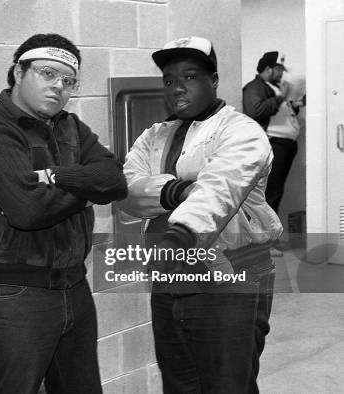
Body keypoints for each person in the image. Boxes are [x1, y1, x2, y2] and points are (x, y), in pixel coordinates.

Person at [0, 33, 127, 394]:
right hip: (15, 294)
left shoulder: (71, 127)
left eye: (68, 81)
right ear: (18, 72)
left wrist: (56, 176)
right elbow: (28, 210)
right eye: (47, 74)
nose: (58, 87)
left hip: (73, 284)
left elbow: (114, 181)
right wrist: (87, 188)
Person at [119, 36, 283, 393]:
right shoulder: (154, 136)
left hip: (232, 276)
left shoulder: (241, 132)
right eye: (169, 80)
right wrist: (177, 189)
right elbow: (128, 190)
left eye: (190, 76)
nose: (177, 88)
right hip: (170, 278)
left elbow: (220, 189)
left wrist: (178, 234)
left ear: (214, 80)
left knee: (228, 385)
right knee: (179, 384)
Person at [243, 52, 305, 256]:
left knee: (275, 192)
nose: (281, 74)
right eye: (279, 70)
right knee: (270, 193)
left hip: (283, 145)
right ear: (269, 69)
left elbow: (279, 114)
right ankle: (263, 244)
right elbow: (255, 111)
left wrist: (293, 105)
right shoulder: (254, 87)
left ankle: (269, 240)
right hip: (273, 145)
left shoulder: (273, 88)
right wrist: (280, 97)